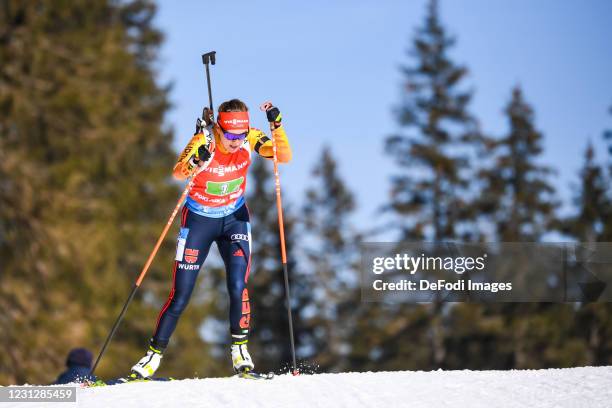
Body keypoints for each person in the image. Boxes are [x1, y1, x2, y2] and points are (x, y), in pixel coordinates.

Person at [129, 99, 291, 378]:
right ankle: (153, 356)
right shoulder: (204, 138)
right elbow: (178, 172)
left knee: (238, 284)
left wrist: (276, 125)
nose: (236, 142)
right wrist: (197, 160)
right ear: (220, 128)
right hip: (199, 220)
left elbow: (282, 156)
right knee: (181, 294)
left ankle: (240, 349)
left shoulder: (249, 136)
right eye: (230, 136)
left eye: (241, 136)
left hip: (234, 218)